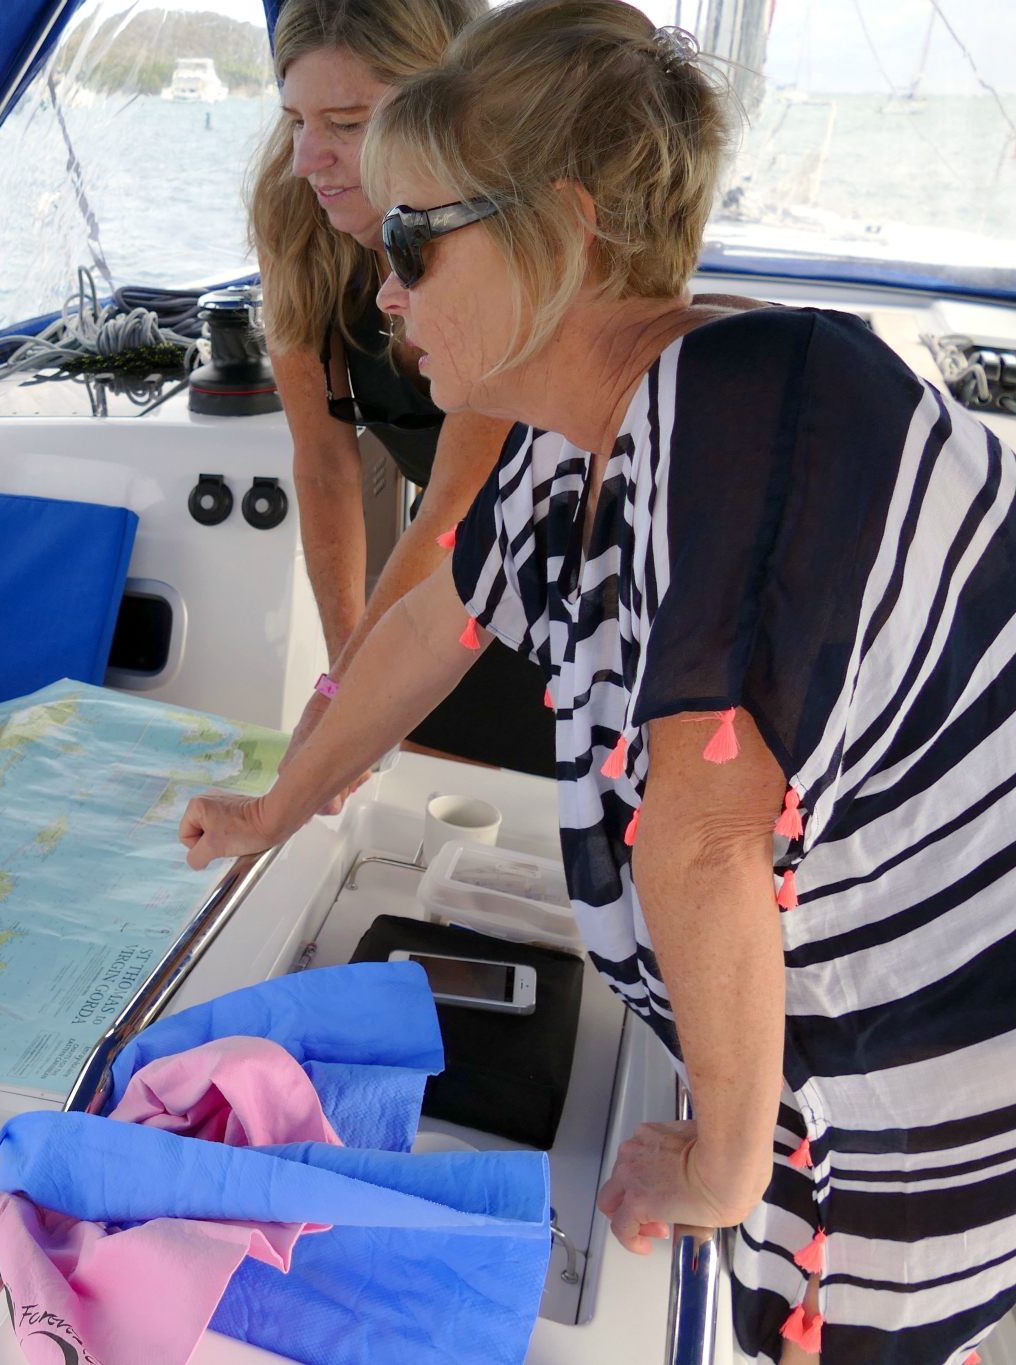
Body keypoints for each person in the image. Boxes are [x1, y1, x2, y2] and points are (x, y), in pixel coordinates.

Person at [182, 3, 1016, 1361]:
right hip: (783, 1049)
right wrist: (284, 805)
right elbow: (431, 626)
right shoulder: (570, 443)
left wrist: (721, 1169)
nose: (384, 290)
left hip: (911, 1075)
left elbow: (708, 826)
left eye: (413, 238)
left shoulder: (762, 394)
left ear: (560, 229)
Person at [249, 0, 545, 780]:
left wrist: (351, 694)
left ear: (444, 113)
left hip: (565, 566)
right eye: (296, 120)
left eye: (346, 123)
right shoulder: (295, 217)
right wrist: (340, 674)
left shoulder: (503, 236)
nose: (306, 158)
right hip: (439, 574)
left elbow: (455, 497)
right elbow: (323, 462)